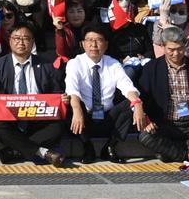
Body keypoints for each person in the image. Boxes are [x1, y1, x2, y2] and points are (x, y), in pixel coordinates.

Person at [133, 25, 189, 164]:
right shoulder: (151, 68)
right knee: (145, 137)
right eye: (171, 49)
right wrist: (147, 119)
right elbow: (143, 96)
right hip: (165, 124)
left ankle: (169, 152)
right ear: (163, 47)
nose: (176, 54)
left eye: (180, 49)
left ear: (185, 46)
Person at [0, 22, 69, 165]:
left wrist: (62, 98)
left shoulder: (46, 65)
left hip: (38, 118)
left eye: (26, 38)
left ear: (32, 42)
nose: (21, 42)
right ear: (10, 40)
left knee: (57, 127)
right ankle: (42, 152)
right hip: (10, 120)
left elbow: (56, 92)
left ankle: (13, 150)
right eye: (17, 38)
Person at [63, 27, 147, 163]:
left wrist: (137, 104)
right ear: (82, 44)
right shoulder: (75, 63)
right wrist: (77, 110)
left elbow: (126, 86)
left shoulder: (112, 63)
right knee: (72, 104)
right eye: (89, 40)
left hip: (107, 117)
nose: (94, 45)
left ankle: (110, 146)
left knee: (129, 104)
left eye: (99, 40)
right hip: (85, 118)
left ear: (106, 45)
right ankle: (87, 147)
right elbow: (72, 89)